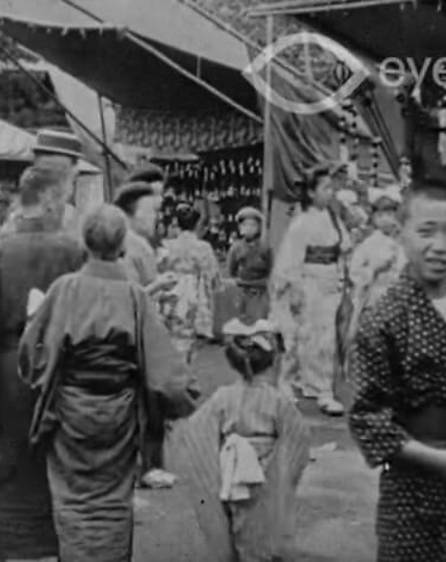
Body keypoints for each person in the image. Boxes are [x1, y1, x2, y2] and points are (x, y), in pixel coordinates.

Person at [18, 204, 199, 562]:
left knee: (71, 498)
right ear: (121, 249)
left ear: (84, 244)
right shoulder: (134, 296)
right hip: (119, 412)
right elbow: (165, 372)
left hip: (69, 409)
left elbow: (31, 350)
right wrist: (180, 400)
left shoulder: (64, 289)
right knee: (115, 500)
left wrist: (43, 377)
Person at [0, 165, 86, 562]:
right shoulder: (72, 251)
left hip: (7, 370)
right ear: (51, 198)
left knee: (7, 469)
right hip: (61, 371)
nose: (66, 206)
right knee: (59, 466)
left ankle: (11, 553)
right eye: (66, 197)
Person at [347, 186, 446, 561]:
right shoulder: (386, 319)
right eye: (426, 231)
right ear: (402, 233)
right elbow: (369, 419)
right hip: (413, 489)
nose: (440, 245)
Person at [170, 318, 310, 562]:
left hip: (229, 468)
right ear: (272, 361)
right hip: (265, 471)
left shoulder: (223, 397)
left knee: (230, 521)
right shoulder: (279, 402)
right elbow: (298, 438)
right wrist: (283, 468)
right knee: (260, 525)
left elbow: (197, 429)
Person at [113, 181, 179, 490]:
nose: (156, 217)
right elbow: (128, 294)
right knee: (148, 398)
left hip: (145, 324)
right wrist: (159, 286)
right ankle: (146, 465)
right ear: (132, 213)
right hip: (135, 328)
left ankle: (147, 463)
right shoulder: (129, 244)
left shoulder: (139, 242)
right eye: (151, 211)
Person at [271, 162, 350, 416]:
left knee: (326, 340)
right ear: (311, 192)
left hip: (330, 282)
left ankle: (322, 388)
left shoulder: (333, 217)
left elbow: (343, 247)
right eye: (325, 188)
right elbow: (291, 259)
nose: (330, 192)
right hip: (309, 282)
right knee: (302, 336)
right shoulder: (302, 222)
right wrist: (293, 288)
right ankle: (294, 384)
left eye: (331, 188)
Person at [159, 203, 222, 349]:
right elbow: (212, 274)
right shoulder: (203, 247)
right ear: (196, 224)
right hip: (194, 291)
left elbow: (159, 269)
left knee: (173, 334)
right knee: (190, 336)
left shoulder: (167, 245)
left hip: (171, 288)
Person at [348, 184, 406, 339]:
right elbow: (354, 273)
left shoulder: (403, 244)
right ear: (374, 218)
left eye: (391, 214)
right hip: (374, 302)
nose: (387, 220)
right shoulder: (368, 244)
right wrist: (373, 269)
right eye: (381, 215)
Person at [226, 207, 273, 324]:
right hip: (241, 292)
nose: (249, 229)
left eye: (253, 225)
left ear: (258, 228)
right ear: (240, 229)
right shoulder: (236, 248)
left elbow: (272, 273)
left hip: (260, 293)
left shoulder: (265, 248)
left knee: (259, 325)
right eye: (245, 225)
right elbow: (231, 273)